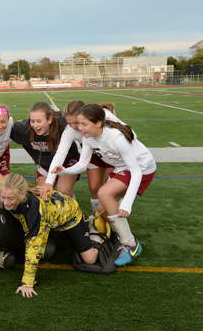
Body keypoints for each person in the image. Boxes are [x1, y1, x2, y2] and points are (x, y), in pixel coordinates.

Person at [52, 104, 156, 266]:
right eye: (78, 124)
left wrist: (127, 204)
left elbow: (136, 171)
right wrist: (64, 171)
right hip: (123, 168)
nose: (79, 128)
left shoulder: (116, 138)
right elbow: (82, 164)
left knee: (104, 193)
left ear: (99, 123)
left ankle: (130, 245)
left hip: (142, 167)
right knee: (103, 210)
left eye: (83, 124)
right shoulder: (88, 137)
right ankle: (125, 239)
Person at [0, 173, 99, 298]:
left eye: (11, 199)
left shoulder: (34, 211)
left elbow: (34, 246)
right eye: (3, 197)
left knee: (90, 259)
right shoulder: (9, 190)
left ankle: (95, 233)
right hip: (50, 220)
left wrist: (27, 283)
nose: (6, 203)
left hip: (70, 218)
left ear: (22, 195)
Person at [46, 101, 126, 212]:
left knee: (109, 191)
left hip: (113, 155)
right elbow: (60, 155)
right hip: (93, 154)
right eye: (69, 123)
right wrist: (49, 182)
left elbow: (128, 134)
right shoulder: (70, 130)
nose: (74, 127)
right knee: (94, 188)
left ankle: (112, 219)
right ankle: (96, 220)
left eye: (76, 122)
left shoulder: (105, 119)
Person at [11, 102, 79, 196]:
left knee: (63, 191)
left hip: (67, 162)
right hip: (44, 166)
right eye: (32, 121)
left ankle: (71, 204)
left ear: (50, 120)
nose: (35, 125)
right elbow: (3, 130)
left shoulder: (62, 126)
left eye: (39, 121)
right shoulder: (23, 129)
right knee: (42, 194)